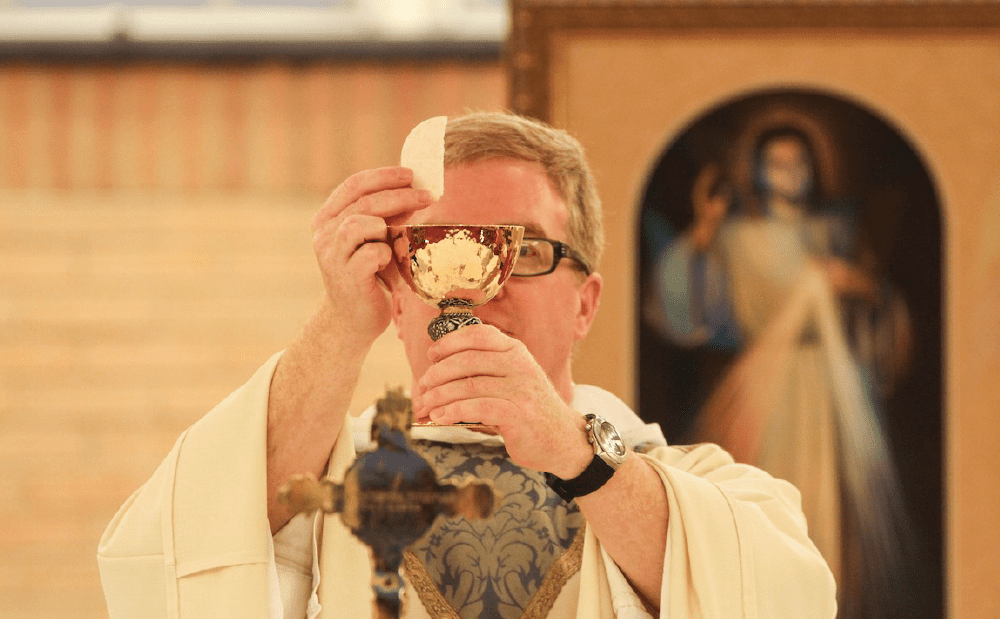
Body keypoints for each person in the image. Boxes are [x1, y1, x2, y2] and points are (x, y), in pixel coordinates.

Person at [98, 112, 836, 619]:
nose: (468, 286)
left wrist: (575, 454)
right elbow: (166, 552)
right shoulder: (321, 484)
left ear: (585, 304)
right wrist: (340, 324)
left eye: (520, 252)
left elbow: (783, 591)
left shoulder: (703, 488)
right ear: (395, 288)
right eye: (434, 251)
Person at [650, 126, 912, 617]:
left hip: (832, 385)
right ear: (758, 172)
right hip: (763, 383)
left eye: (798, 163)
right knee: (762, 499)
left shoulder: (838, 232)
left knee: (828, 506)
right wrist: (704, 233)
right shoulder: (736, 235)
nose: (788, 175)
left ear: (815, 169)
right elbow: (690, 314)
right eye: (776, 164)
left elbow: (880, 306)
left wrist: (859, 286)